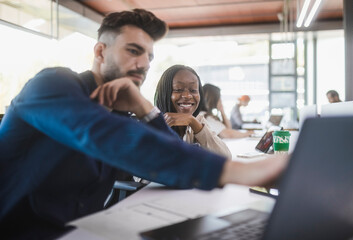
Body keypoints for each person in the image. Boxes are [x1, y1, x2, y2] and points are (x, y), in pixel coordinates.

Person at [0, 9, 287, 238]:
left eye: (149, 56)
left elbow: (169, 171)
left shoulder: (121, 113)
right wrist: (241, 172)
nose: (144, 64)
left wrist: (145, 108)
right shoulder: (53, 84)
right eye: (133, 51)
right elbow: (103, 135)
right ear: (100, 52)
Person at [154, 65, 232, 158]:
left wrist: (193, 122)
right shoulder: (155, 125)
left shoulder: (197, 120)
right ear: (165, 93)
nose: (187, 96)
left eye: (193, 90)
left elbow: (225, 157)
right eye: (178, 89)